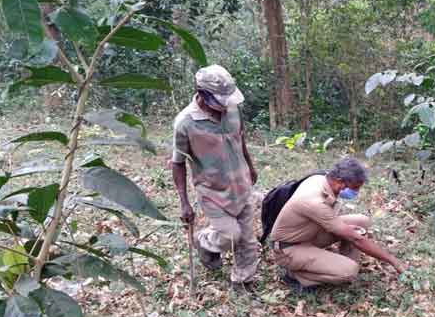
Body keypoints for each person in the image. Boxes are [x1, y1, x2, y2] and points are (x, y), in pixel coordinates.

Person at [171, 65, 259, 293]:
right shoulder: (185, 123)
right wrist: (184, 201)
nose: (226, 105)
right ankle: (203, 241)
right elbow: (178, 163)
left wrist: (250, 167)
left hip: (241, 185)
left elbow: (241, 140)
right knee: (231, 236)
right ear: (202, 94)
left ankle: (242, 281)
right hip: (212, 193)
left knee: (248, 241)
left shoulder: (233, 110)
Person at [268, 157, 406, 293]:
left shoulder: (319, 178)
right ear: (340, 182)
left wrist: (347, 231)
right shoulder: (315, 201)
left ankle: (340, 261)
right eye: (355, 188)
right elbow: (356, 239)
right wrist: (392, 260)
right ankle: (296, 275)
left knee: (361, 221)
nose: (356, 193)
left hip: (308, 233)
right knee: (349, 271)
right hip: (288, 249)